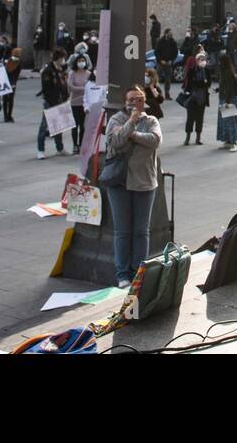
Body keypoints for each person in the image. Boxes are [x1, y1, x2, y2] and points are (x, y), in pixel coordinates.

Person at [102, 85, 163, 288]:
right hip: (120, 182)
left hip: (144, 182)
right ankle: (122, 274)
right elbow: (115, 141)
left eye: (139, 98)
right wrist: (131, 123)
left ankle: (139, 271)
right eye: (131, 99)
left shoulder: (151, 120)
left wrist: (132, 134)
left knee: (140, 231)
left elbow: (154, 140)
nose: (135, 102)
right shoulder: (116, 120)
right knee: (122, 230)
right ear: (125, 101)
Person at [36, 48, 69, 159]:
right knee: (44, 126)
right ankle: (40, 150)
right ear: (58, 58)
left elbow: (64, 85)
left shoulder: (61, 70)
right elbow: (46, 88)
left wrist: (65, 97)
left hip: (60, 101)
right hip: (50, 102)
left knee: (59, 127)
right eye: (62, 58)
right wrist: (53, 100)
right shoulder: (48, 70)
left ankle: (59, 148)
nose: (64, 60)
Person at [181, 52, 211, 145]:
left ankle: (198, 138)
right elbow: (191, 84)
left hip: (202, 98)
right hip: (192, 98)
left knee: (200, 118)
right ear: (196, 61)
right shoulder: (192, 70)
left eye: (204, 59)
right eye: (200, 59)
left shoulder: (206, 70)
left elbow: (208, 84)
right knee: (190, 118)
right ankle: (187, 138)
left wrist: (201, 83)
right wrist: (202, 82)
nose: (203, 61)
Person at [215, 53, 237, 150]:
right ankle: (228, 141)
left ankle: (234, 142)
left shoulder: (228, 72)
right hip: (224, 98)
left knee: (230, 121)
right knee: (224, 121)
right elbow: (224, 86)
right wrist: (218, 90)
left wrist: (226, 102)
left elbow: (229, 88)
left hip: (228, 99)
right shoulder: (224, 71)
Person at [66, 53, 92, 154]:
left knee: (83, 125)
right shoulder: (72, 73)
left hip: (85, 103)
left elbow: (91, 87)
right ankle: (74, 146)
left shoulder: (88, 74)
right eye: (79, 61)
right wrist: (83, 89)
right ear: (76, 62)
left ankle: (81, 144)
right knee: (74, 126)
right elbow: (71, 87)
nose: (81, 63)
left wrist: (85, 90)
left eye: (83, 61)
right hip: (74, 102)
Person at [155, 29, 179, 99]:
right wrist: (161, 60)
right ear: (165, 33)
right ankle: (156, 94)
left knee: (168, 79)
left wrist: (172, 60)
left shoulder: (173, 42)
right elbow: (156, 52)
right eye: (169, 33)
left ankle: (167, 94)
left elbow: (175, 52)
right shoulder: (160, 41)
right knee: (157, 78)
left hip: (169, 63)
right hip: (160, 63)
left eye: (171, 33)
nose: (171, 35)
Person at [2, 47, 23, 123]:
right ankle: (7, 116)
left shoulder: (13, 61)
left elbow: (15, 74)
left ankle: (7, 116)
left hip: (9, 82)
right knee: (8, 99)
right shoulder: (15, 62)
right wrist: (13, 83)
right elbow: (15, 74)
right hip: (9, 82)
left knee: (7, 99)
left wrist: (13, 83)